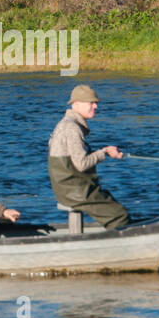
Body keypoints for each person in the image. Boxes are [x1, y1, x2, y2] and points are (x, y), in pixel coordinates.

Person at [47, 84, 131, 230]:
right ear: (76, 104)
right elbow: (82, 164)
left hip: (71, 188)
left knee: (111, 202)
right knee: (120, 216)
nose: (96, 106)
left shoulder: (65, 124)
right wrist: (103, 152)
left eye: (96, 103)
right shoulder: (72, 128)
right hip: (74, 191)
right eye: (91, 103)